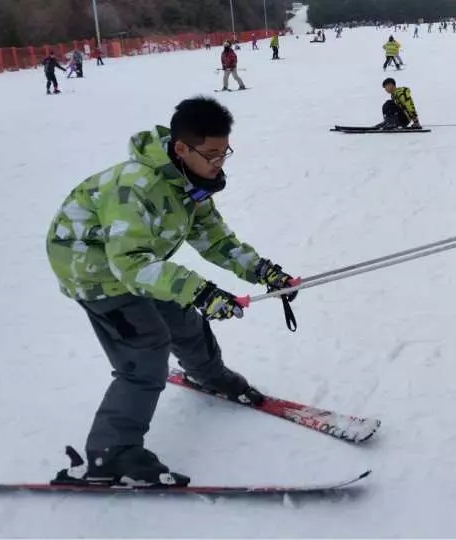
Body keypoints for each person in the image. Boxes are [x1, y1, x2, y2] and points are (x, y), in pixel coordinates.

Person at [45, 97, 299, 487]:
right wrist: (199, 290)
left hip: (139, 262)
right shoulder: (134, 187)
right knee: (146, 349)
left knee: (184, 323)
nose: (220, 163)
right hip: (93, 270)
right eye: (212, 154)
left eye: (224, 152)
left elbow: (216, 241)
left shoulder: (189, 183)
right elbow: (128, 264)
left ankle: (209, 375)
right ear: (182, 148)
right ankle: (111, 455)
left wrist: (264, 272)